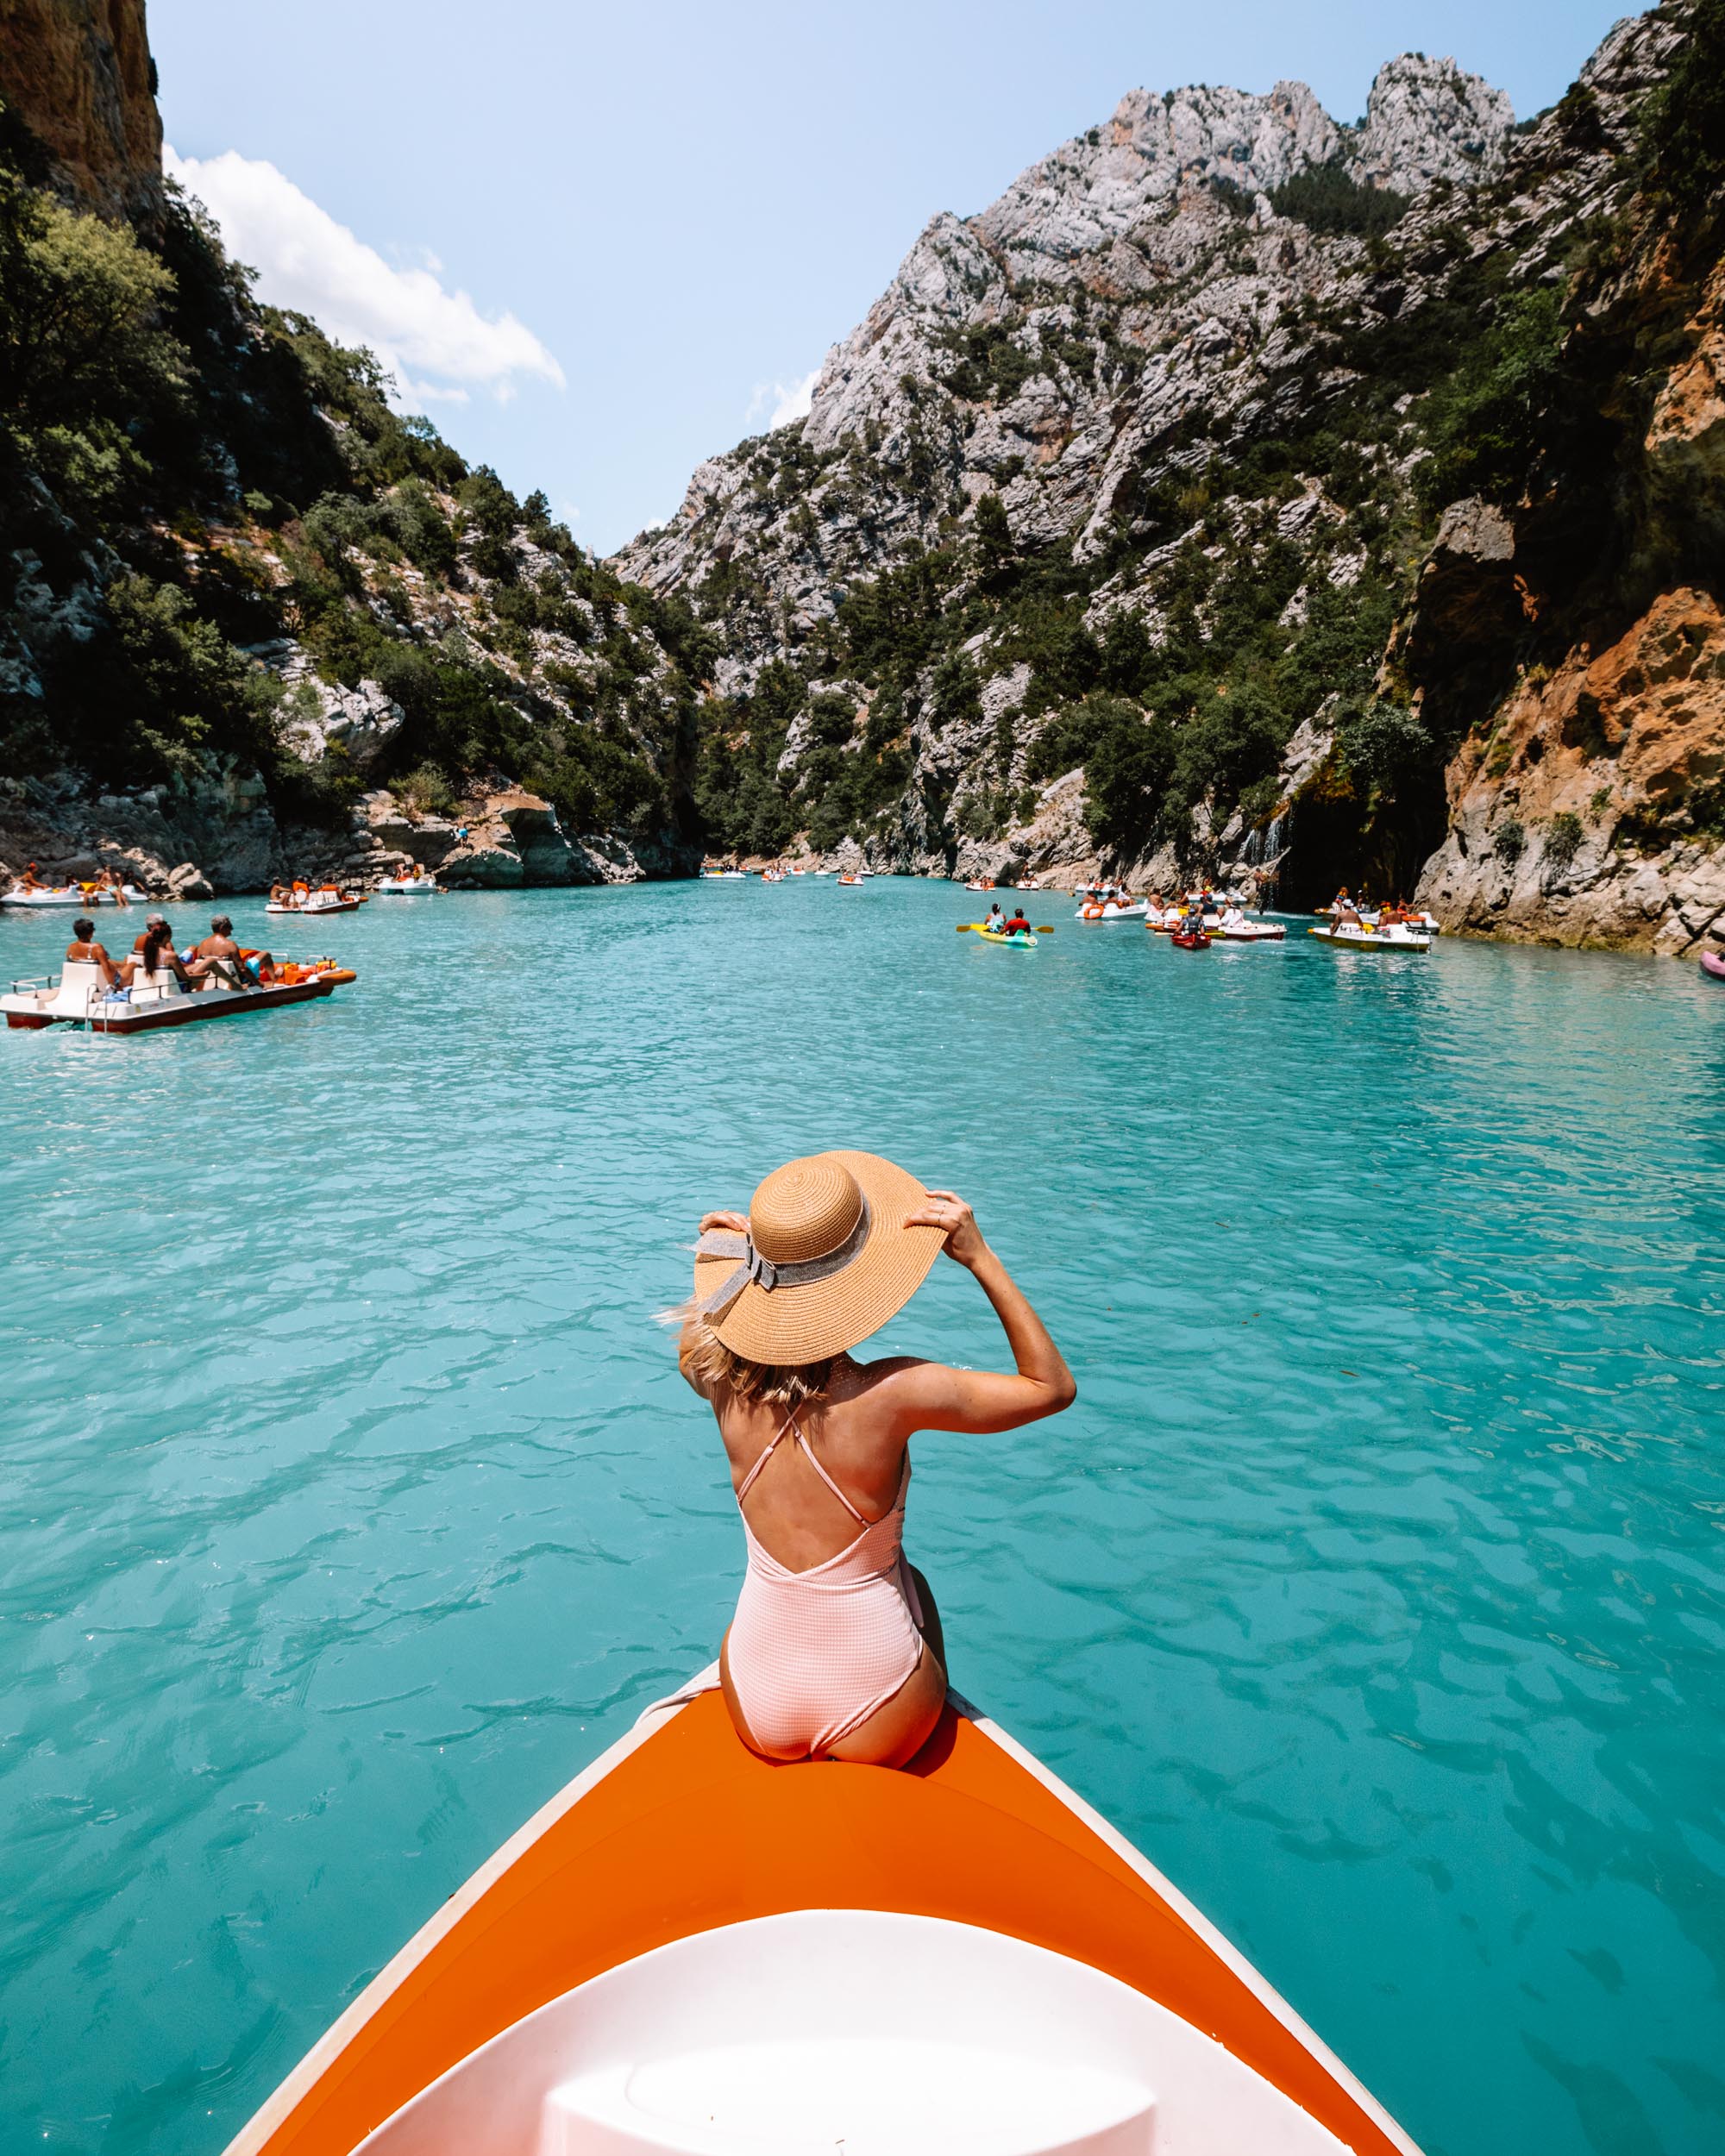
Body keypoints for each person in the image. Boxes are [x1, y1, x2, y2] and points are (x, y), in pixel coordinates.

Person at [676, 1154, 1075, 1770]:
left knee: (761, 1614)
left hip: (759, 1705)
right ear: (856, 1280)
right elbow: (1051, 1388)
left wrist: (723, 1261)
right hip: (878, 1708)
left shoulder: (716, 1380)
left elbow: (705, 1331)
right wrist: (980, 1259)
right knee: (913, 1585)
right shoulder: (893, 1394)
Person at [188, 915, 253, 989]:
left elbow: (199, 965)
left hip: (205, 983)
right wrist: (258, 983)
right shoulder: (230, 945)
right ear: (221, 928)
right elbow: (242, 969)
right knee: (262, 957)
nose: (232, 929)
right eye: (230, 926)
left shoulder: (202, 944)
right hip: (231, 981)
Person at [65, 918, 119, 987]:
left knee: (114, 963)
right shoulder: (97, 947)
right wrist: (113, 987)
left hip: (83, 980)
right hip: (108, 979)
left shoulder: (71, 947)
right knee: (132, 965)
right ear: (90, 933)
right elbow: (106, 969)